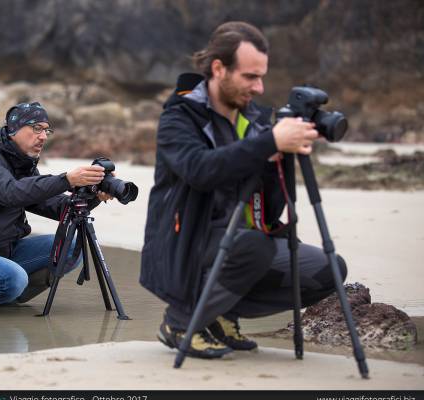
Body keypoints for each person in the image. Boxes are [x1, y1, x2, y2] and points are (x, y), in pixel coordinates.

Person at [140, 21, 348, 358]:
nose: (260, 87)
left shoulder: (254, 120)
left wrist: (276, 159)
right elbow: (201, 170)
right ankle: (180, 322)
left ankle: (221, 312)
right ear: (219, 69)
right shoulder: (179, 118)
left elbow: (268, 206)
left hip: (240, 242)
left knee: (328, 269)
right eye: (250, 77)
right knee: (253, 246)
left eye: (262, 76)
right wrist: (269, 142)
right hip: (184, 245)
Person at [0, 102, 112, 308]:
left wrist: (93, 195)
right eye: (36, 128)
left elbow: (58, 208)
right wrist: (67, 180)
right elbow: (11, 193)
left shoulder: (22, 163)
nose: (44, 136)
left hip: (5, 252)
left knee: (72, 248)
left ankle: (7, 295)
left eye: (47, 130)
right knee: (14, 278)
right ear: (13, 129)